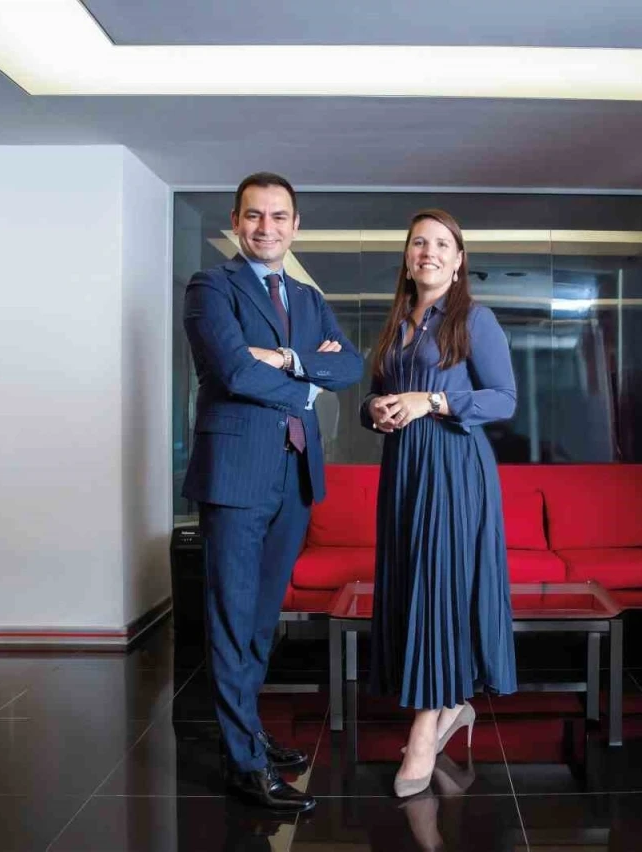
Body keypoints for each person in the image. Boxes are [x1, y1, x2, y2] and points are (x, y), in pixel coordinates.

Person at [183, 172, 364, 812]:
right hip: (236, 474)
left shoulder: (307, 298)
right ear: (236, 221)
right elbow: (234, 370)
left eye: (279, 216)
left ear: (295, 225)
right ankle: (243, 764)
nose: (267, 227)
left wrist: (286, 360)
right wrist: (311, 381)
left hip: (294, 474)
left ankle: (249, 736)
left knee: (262, 619)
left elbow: (351, 364)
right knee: (232, 618)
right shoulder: (212, 286)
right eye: (254, 215)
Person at [361, 209, 518, 798]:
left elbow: (504, 399)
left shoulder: (475, 318)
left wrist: (432, 401)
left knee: (439, 587)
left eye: (441, 244)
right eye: (418, 243)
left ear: (458, 261)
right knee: (412, 585)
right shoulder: (397, 324)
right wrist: (374, 410)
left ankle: (426, 729)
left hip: (453, 469)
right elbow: (378, 397)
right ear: (407, 258)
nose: (428, 251)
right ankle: (451, 703)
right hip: (404, 469)